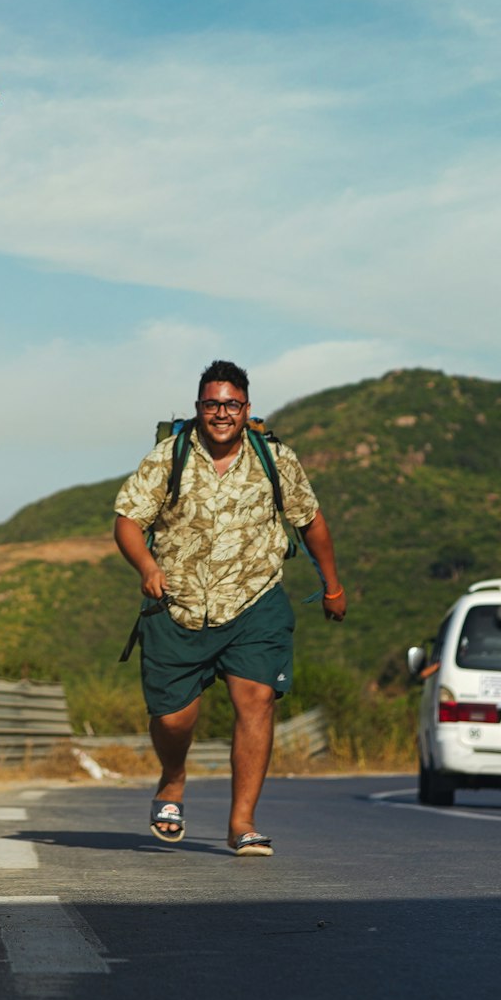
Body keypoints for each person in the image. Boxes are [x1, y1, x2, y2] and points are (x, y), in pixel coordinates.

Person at [114, 359, 345, 856]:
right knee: (174, 720)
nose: (222, 413)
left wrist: (332, 585)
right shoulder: (168, 456)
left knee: (257, 701)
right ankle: (172, 779)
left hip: (254, 601)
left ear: (247, 409)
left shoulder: (275, 458)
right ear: (199, 407)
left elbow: (311, 522)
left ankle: (242, 822)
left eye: (231, 404)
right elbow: (127, 522)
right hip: (178, 605)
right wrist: (147, 568)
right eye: (212, 404)